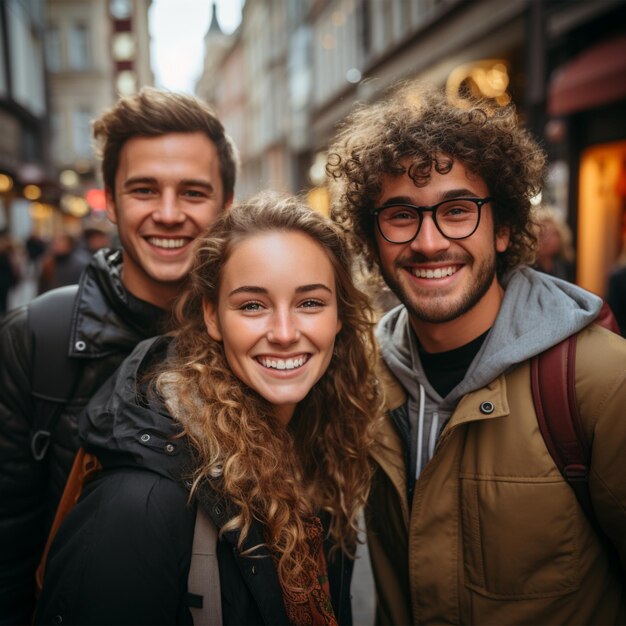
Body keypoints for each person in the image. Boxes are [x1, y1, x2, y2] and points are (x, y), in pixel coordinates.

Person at [326, 82, 626, 625]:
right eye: (400, 215)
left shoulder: (602, 380)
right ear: (372, 240)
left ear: (504, 226)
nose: (429, 241)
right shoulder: (356, 379)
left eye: (458, 210)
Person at [35, 192, 382, 625]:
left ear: (339, 316)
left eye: (310, 302)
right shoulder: (138, 507)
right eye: (252, 305)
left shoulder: (318, 451)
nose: (284, 332)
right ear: (213, 316)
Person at [0, 87, 237, 624]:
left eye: (193, 192)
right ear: (111, 197)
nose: (169, 213)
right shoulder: (35, 341)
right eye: (144, 189)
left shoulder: (264, 338)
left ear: (226, 205)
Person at [532, 206, 575, 282]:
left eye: (550, 234)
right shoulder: (529, 269)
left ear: (561, 237)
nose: (546, 240)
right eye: (541, 234)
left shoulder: (565, 265)